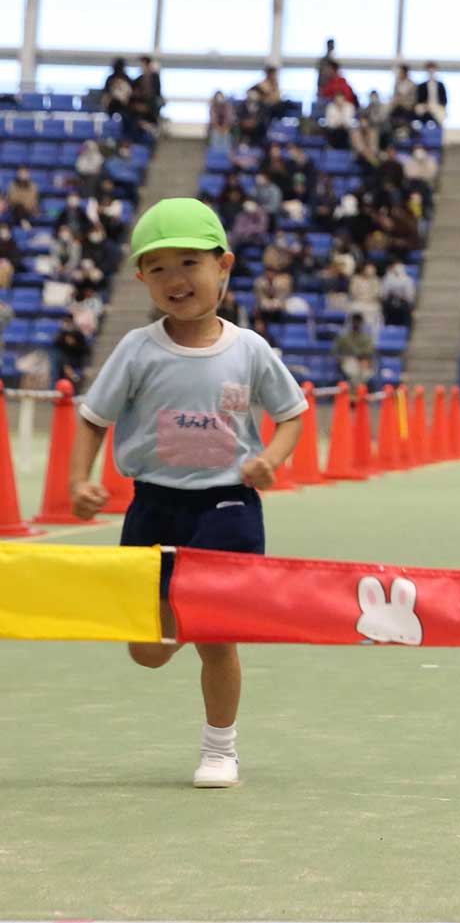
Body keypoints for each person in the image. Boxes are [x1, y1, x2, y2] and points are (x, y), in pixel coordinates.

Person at [67, 198, 306, 789]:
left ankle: (219, 749)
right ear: (141, 278)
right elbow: (94, 416)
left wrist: (270, 460)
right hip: (152, 504)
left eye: (190, 263)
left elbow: (294, 414)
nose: (177, 280)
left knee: (218, 638)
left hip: (227, 503)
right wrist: (79, 480)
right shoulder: (138, 350)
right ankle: (184, 613)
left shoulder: (249, 349)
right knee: (146, 650)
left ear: (223, 265)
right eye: (159, 268)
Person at [335, 313, 375, 387]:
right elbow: (335, 352)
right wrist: (342, 359)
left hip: (362, 362)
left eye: (358, 321)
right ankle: (354, 394)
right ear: (351, 322)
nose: (356, 323)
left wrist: (365, 360)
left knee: (366, 374)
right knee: (354, 372)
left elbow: (369, 352)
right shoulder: (344, 337)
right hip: (348, 361)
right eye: (354, 321)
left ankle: (357, 394)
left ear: (361, 323)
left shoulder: (366, 338)